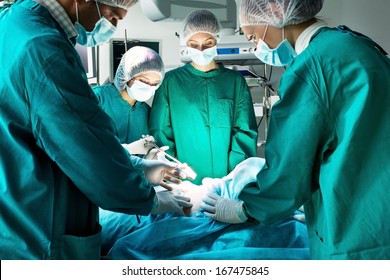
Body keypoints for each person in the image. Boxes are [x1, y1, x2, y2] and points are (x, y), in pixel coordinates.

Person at [0, 0, 192, 260]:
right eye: (112, 15)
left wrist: (139, 167)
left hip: (15, 214)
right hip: (40, 231)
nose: (109, 27)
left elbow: (78, 142)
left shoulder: (13, 20)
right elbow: (88, 153)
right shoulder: (46, 50)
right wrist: (150, 199)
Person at [202, 0, 390, 259]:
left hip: (355, 231)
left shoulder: (310, 69)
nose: (257, 46)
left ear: (275, 11)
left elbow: (288, 170)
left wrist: (245, 208)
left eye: (254, 36)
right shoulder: (357, 45)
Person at [149, 9, 258, 185]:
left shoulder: (235, 82)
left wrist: (232, 178)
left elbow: (244, 132)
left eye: (207, 43)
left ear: (217, 40)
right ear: (185, 43)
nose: (201, 50)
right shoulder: (170, 82)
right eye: (193, 44)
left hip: (228, 180)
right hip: (184, 181)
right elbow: (161, 132)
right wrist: (177, 173)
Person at [93, 46, 164, 144]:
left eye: (155, 83)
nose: (149, 87)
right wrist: (127, 150)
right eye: (144, 81)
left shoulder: (146, 111)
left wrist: (149, 156)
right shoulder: (97, 97)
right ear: (127, 75)